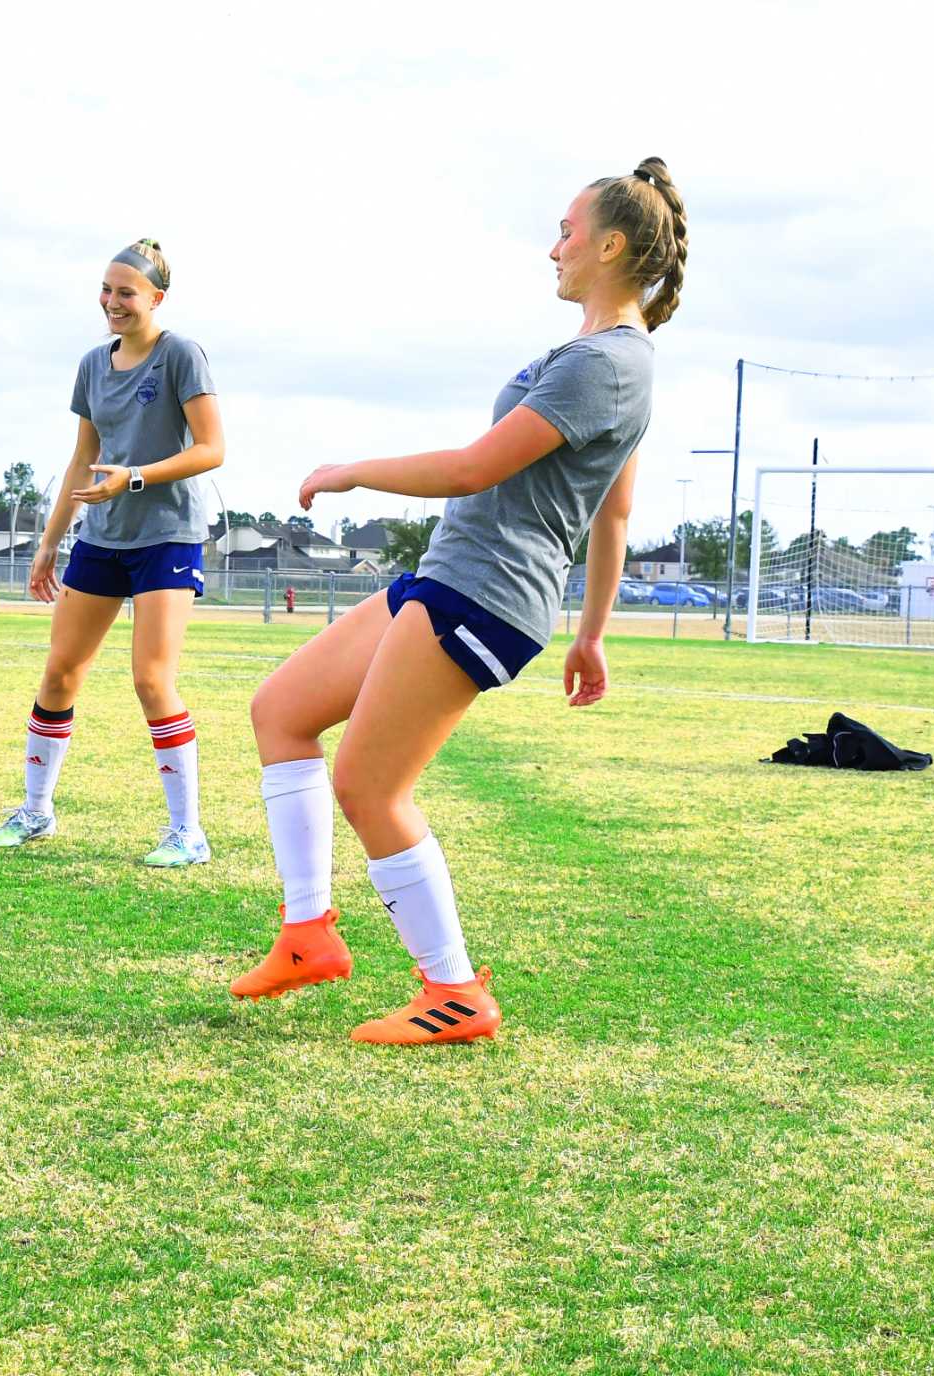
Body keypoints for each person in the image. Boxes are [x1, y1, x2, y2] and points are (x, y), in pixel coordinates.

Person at [231, 159, 685, 1042]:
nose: (552, 246)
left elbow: (479, 467)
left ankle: (454, 993)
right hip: (446, 576)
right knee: (281, 710)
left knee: (369, 782)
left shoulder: (611, 365)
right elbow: (615, 508)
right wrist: (592, 635)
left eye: (564, 230)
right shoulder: (594, 358)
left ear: (610, 245)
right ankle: (307, 935)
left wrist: (352, 470)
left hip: (484, 593)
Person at [0, 239, 226, 866]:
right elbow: (81, 458)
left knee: (151, 679)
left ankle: (187, 833)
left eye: (127, 293)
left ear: (156, 299)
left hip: (167, 535)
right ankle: (36, 812)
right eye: (107, 290)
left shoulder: (181, 355)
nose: (113, 303)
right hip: (102, 537)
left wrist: (135, 477)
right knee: (61, 673)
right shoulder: (93, 363)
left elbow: (211, 449)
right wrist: (48, 543)